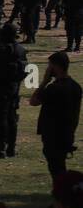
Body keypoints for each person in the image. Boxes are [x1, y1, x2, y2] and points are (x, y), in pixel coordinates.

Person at [30, 50, 83, 184]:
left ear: (56, 66)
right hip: (67, 132)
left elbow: (34, 101)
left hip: (53, 134)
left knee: (56, 169)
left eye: (50, 65)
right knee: (60, 166)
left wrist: (44, 81)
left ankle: (63, 195)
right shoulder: (76, 86)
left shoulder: (54, 88)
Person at [0, 22, 28, 159]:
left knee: (1, 118)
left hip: (1, 87)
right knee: (12, 117)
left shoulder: (0, 50)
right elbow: (24, 71)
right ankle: (11, 148)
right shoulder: (21, 50)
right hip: (14, 88)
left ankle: (1, 148)